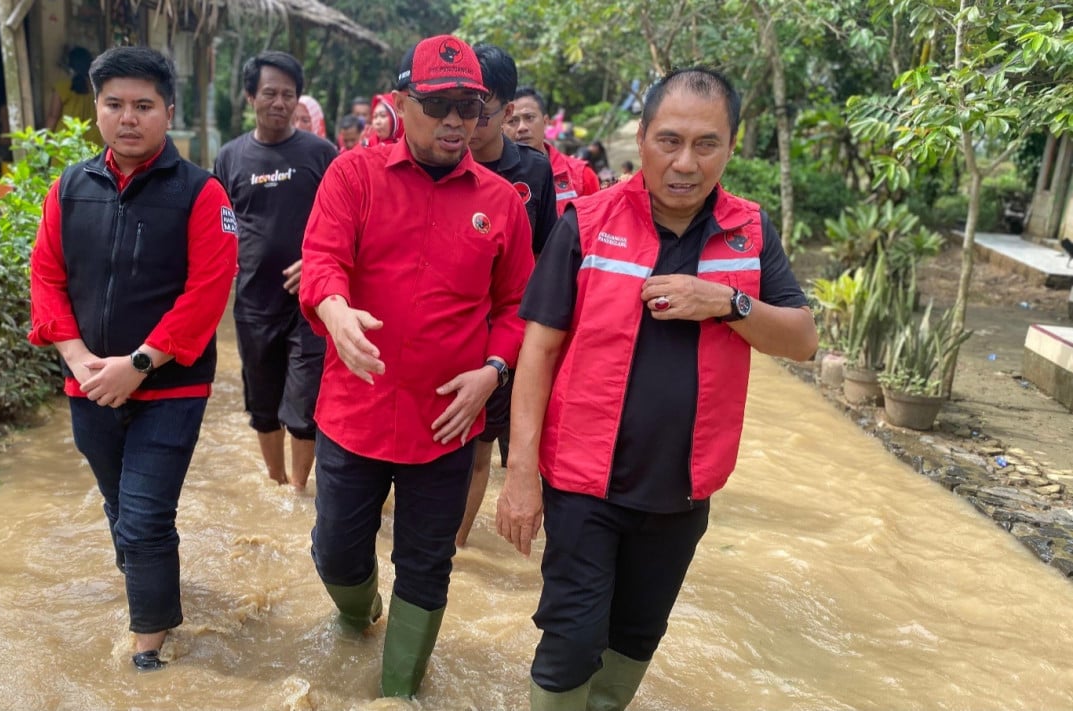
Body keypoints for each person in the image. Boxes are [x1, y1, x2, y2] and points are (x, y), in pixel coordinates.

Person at [495, 67, 818, 709]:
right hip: (584, 484)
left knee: (637, 638)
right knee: (569, 641)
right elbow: (537, 353)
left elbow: (803, 340)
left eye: (707, 144)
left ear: (732, 147)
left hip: (681, 490)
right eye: (669, 141)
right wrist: (521, 475)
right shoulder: (586, 223)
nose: (686, 163)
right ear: (640, 140)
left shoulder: (749, 233)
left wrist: (727, 302)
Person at [300, 34, 535, 699]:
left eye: (470, 106)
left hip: (446, 420)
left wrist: (493, 367)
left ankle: (397, 691)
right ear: (403, 104)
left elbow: (517, 306)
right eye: (439, 106)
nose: (457, 121)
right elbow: (320, 262)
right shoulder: (354, 174)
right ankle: (360, 611)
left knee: (427, 564)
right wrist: (337, 311)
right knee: (336, 551)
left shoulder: (503, 202)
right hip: (355, 409)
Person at [28, 46, 238, 672]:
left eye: (143, 105)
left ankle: (148, 648)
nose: (128, 117)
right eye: (115, 104)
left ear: (167, 112)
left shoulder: (202, 193)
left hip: (170, 392)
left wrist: (138, 364)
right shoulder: (68, 189)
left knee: (145, 516)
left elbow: (207, 294)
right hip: (88, 384)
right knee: (121, 510)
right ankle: (156, 591)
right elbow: (46, 277)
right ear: (96, 110)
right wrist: (78, 357)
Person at [214, 52, 337, 491]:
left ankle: (299, 494)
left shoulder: (322, 155)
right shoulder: (230, 158)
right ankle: (277, 481)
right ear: (251, 97)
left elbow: (349, 222)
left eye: (289, 94)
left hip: (312, 306)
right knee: (263, 406)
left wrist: (320, 262)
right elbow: (217, 229)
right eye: (269, 93)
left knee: (304, 408)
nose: (279, 102)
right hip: (253, 303)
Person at [454, 43, 557, 549]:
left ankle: (455, 548)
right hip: (452, 322)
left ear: (507, 111)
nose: (466, 122)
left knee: (479, 447)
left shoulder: (534, 172)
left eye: (480, 110)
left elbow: (548, 255)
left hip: (506, 328)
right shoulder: (442, 162)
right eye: (459, 105)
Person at [505, 87, 599, 216]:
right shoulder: (493, 179)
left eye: (529, 117)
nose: (522, 128)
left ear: (545, 122)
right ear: (502, 127)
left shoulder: (581, 176)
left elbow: (596, 228)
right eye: (512, 121)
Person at [45, 45, 104, 145]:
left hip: (67, 138)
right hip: (94, 138)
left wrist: (44, 141)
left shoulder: (62, 88)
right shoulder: (99, 86)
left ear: (70, 66)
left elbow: (53, 117)